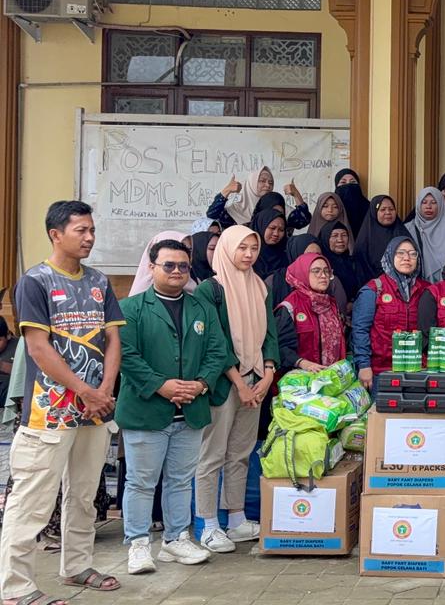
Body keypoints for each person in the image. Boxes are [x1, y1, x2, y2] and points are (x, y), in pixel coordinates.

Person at [1, 201, 125, 603]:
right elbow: (38, 348)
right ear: (56, 234)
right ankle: (16, 588)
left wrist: (104, 390)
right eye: (80, 230)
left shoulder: (99, 281)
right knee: (32, 501)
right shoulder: (35, 281)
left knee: (84, 494)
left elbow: (113, 340)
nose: (89, 238)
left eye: (92, 230)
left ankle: (76, 566)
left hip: (95, 409)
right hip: (49, 410)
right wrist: (85, 390)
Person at [118, 239, 229, 574]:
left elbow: (218, 351)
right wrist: (161, 386)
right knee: (141, 482)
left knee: (180, 480)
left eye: (183, 266)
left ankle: (176, 539)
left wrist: (202, 383)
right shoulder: (130, 309)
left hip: (190, 411)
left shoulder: (202, 308)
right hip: (146, 411)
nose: (177, 271)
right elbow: (126, 356)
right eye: (169, 265)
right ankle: (138, 544)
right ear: (151, 267)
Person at [191, 225, 278, 554]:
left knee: (241, 453)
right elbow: (214, 341)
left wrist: (268, 373)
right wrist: (240, 383)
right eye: (242, 248)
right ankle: (209, 524)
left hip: (255, 379)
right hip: (225, 383)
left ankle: (237, 519)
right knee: (212, 454)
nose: (248, 254)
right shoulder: (210, 290)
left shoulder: (259, 286)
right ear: (227, 249)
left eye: (253, 248)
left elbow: (269, 333)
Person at [351, 237, 429, 390]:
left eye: (412, 254)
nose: (407, 258)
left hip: (418, 371)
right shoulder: (374, 290)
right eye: (400, 253)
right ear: (390, 255)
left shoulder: (426, 290)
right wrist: (364, 365)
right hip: (382, 372)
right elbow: (360, 330)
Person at [274, 253, 347, 375]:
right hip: (301, 380)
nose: (323, 276)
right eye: (316, 271)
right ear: (303, 273)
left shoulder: (331, 304)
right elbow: (280, 347)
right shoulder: (290, 307)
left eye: (326, 271)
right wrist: (302, 363)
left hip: (331, 377)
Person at [405, 187, 445, 284]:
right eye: (424, 202)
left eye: (434, 202)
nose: (428, 206)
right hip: (416, 285)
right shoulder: (408, 229)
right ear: (418, 204)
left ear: (441, 205)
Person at [353, 195, 411, 285]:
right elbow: (361, 268)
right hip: (372, 287)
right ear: (374, 212)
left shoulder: (402, 233)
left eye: (391, 209)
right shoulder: (365, 238)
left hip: (401, 286)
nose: (388, 212)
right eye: (383, 210)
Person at [129, 231, 198, 297]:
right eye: (168, 265)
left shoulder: (196, 288)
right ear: (152, 267)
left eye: (189, 249)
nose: (176, 270)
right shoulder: (138, 300)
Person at [318, 221, 359, 308]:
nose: (340, 240)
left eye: (344, 235)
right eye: (335, 235)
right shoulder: (320, 265)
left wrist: (353, 303)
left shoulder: (353, 262)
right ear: (325, 238)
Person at [249, 209, 289, 281]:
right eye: (272, 228)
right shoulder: (246, 253)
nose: (276, 234)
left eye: (281, 230)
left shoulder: (286, 254)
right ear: (261, 226)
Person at [334, 170, 368, 238]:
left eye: (353, 182)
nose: (348, 185)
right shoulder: (331, 209)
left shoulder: (369, 208)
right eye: (343, 182)